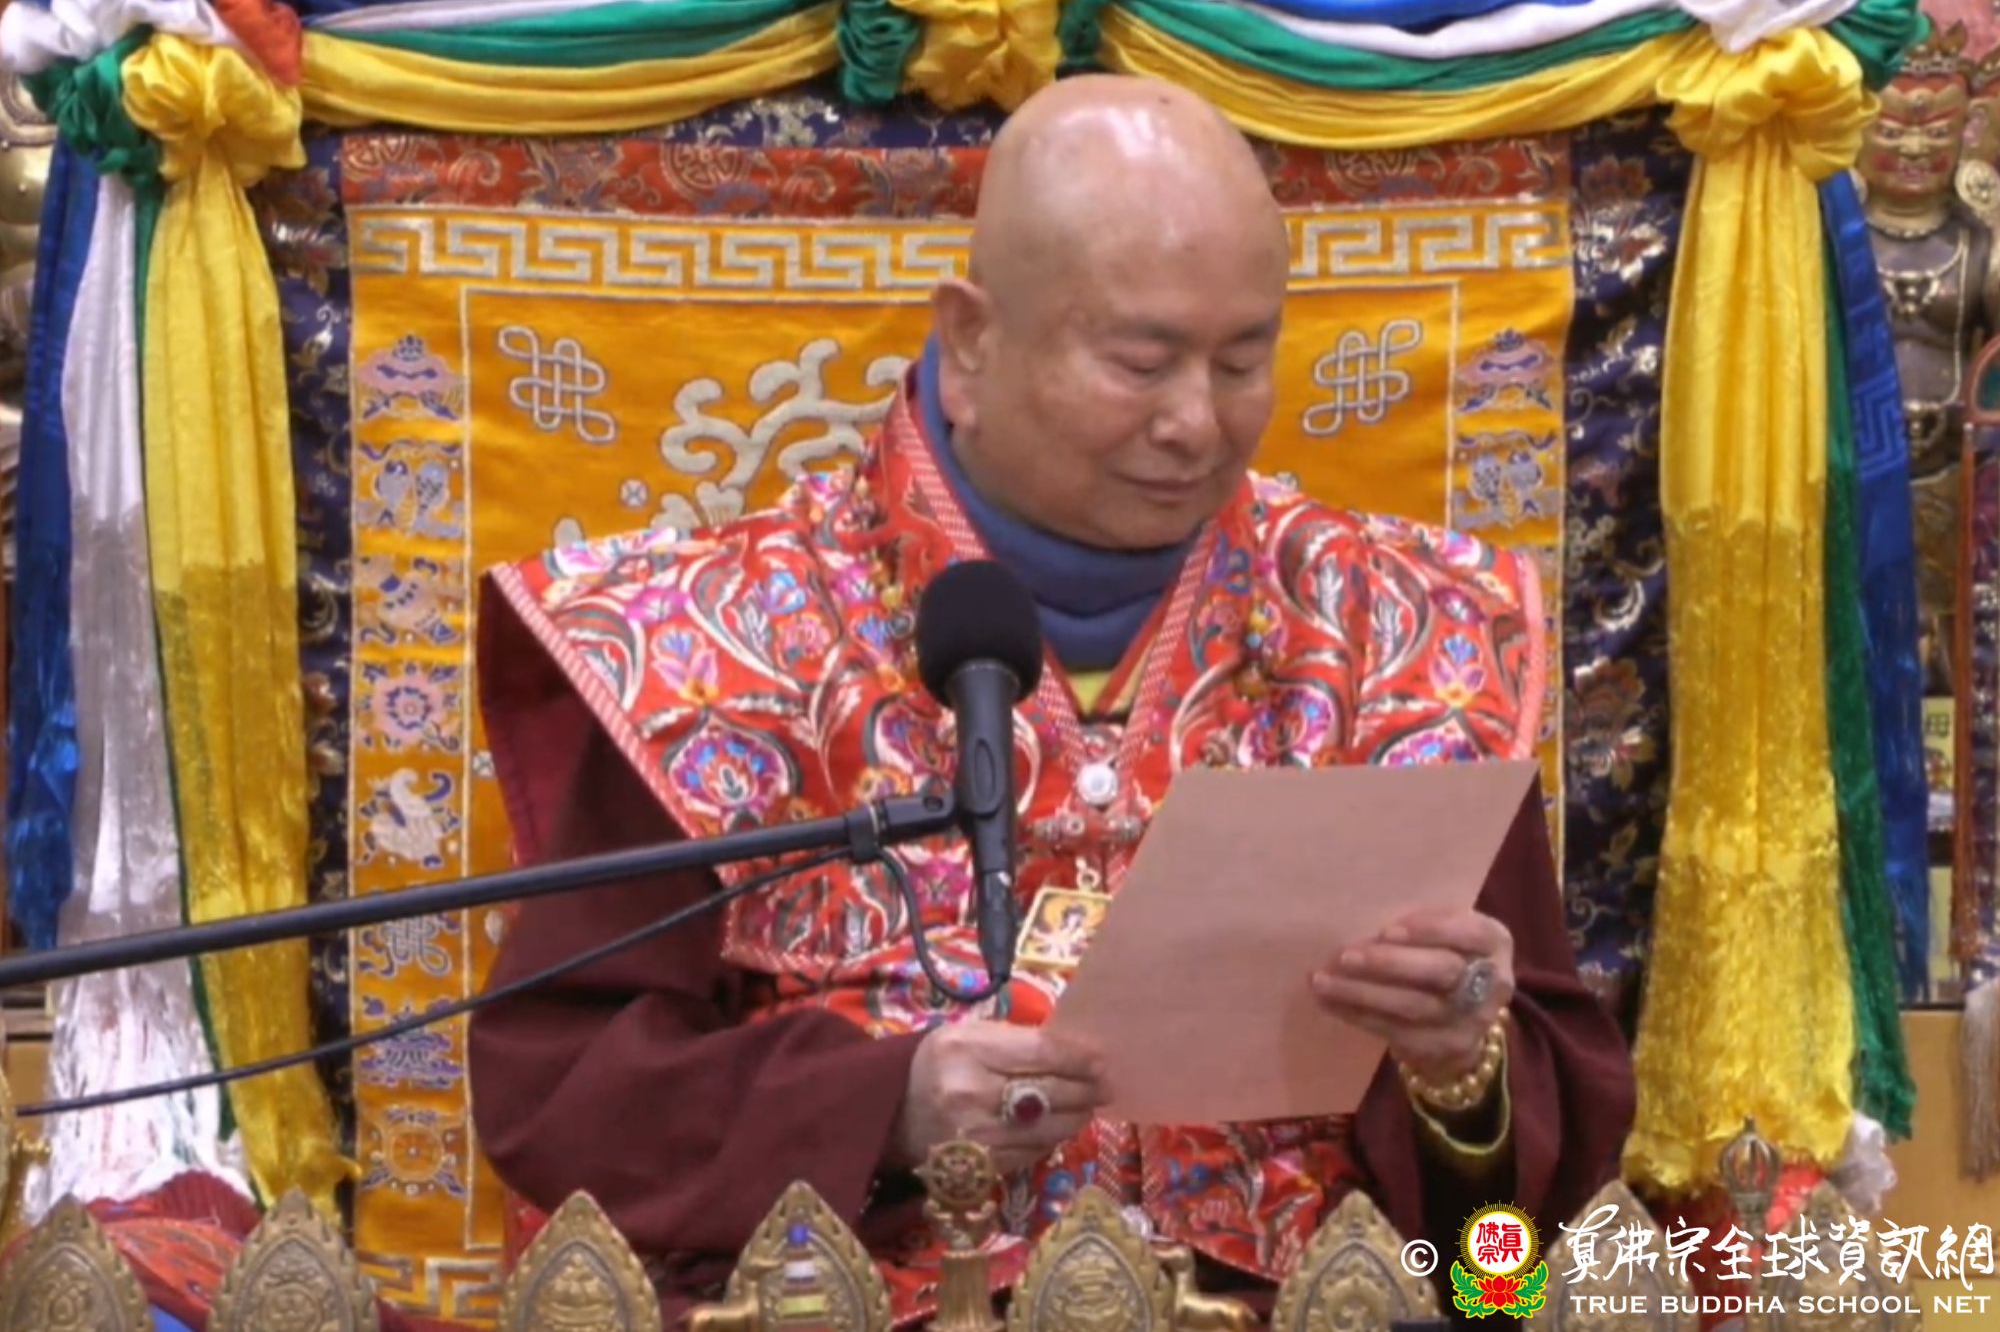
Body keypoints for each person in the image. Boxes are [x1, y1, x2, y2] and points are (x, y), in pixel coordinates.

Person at [467, 74, 1635, 1322]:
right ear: (969, 340)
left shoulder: (1400, 624)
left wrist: (1461, 1068)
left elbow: (1515, 1224)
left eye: (1242, 361)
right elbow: (568, 1083)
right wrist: (890, 1105)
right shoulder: (707, 636)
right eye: (1141, 363)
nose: (1196, 423)